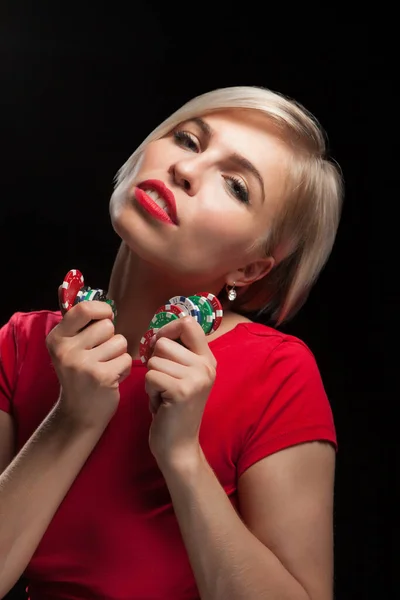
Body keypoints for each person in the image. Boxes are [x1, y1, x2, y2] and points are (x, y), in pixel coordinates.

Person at [0, 85, 343, 600]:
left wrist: (182, 456)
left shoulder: (277, 372)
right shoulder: (22, 343)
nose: (186, 170)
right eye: (187, 140)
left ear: (250, 267)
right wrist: (73, 420)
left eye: (236, 186)